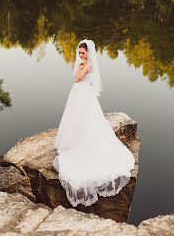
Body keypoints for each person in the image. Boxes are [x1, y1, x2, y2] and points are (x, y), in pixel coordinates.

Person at [53, 39, 135, 207]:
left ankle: (86, 144)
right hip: (79, 94)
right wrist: (79, 65)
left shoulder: (88, 65)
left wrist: (80, 66)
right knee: (76, 119)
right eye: (79, 53)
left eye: (83, 53)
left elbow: (77, 78)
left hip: (84, 94)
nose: (80, 55)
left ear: (89, 53)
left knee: (87, 119)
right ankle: (75, 139)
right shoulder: (84, 63)